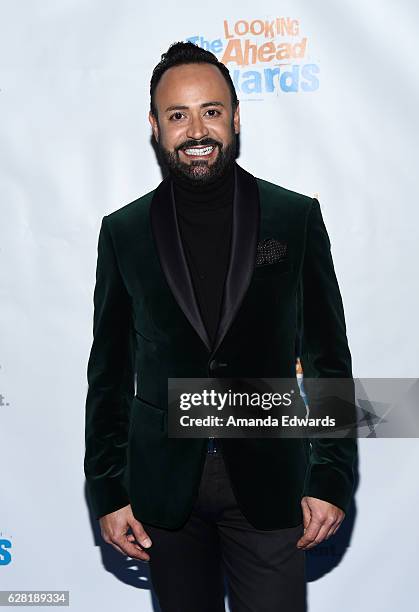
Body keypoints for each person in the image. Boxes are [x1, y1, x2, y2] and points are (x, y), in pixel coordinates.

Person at [84, 41, 357, 612]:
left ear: (235, 117)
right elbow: (109, 376)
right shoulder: (124, 233)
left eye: (210, 110)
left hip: (270, 481)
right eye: (177, 115)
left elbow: (329, 359)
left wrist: (331, 478)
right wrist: (109, 488)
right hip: (165, 493)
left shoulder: (294, 218)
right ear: (155, 128)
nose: (196, 129)